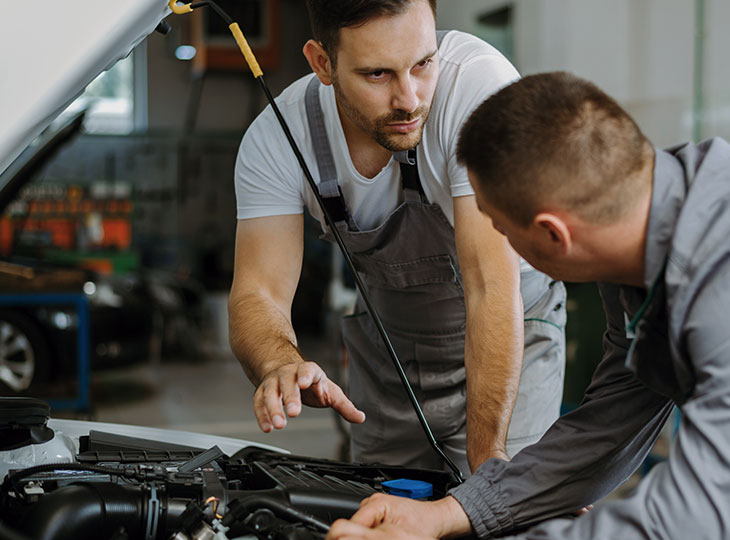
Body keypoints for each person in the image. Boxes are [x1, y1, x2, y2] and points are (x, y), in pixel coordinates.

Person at [323, 71, 730, 540]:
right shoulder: (652, 226)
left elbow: (693, 523)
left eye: (495, 225)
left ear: (552, 236)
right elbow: (609, 424)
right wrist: (455, 514)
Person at [229, 0, 566, 476]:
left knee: (507, 525)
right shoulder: (280, 137)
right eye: (377, 74)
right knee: (381, 519)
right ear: (322, 63)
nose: (409, 98)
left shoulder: (478, 88)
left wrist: (488, 461)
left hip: (511, 333)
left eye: (423, 63)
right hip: (390, 356)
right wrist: (278, 361)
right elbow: (257, 291)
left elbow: (491, 288)